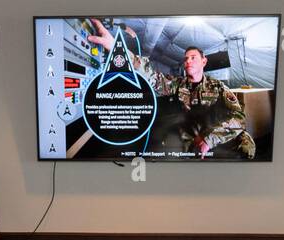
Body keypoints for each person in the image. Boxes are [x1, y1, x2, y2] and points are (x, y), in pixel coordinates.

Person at [87, 21, 254, 159]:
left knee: (247, 150)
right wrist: (117, 48)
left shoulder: (218, 87)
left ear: (204, 61)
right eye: (186, 58)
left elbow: (239, 118)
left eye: (193, 58)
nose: (188, 61)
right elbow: (149, 74)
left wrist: (210, 139)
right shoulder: (177, 84)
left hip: (216, 138)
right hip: (191, 144)